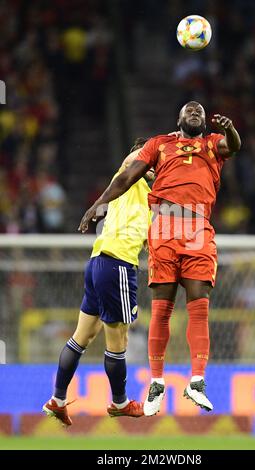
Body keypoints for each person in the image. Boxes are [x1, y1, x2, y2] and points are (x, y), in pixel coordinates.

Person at [79, 101, 241, 416]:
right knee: (161, 310)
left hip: (197, 228)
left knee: (199, 306)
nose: (195, 112)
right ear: (178, 118)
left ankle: (197, 381)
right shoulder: (159, 144)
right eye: (189, 110)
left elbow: (233, 146)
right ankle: (156, 383)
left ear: (206, 123)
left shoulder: (212, 145)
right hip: (164, 228)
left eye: (200, 112)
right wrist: (98, 204)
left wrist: (231, 129)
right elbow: (126, 177)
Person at [43, 137, 153, 425]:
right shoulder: (131, 170)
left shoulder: (141, 191)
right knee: (118, 340)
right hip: (116, 263)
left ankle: (57, 399)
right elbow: (138, 157)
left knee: (82, 337)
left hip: (98, 262)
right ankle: (120, 402)